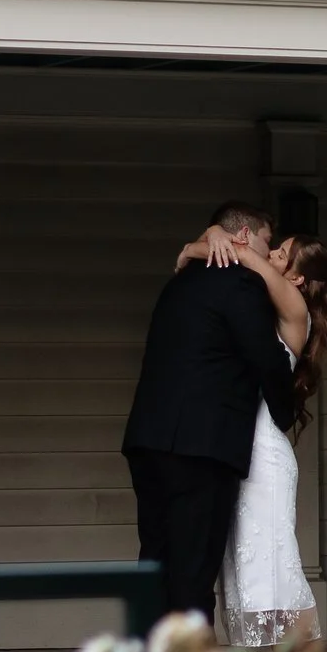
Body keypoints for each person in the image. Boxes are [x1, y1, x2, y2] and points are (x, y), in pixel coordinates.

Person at [119, 201, 296, 620]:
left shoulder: (180, 281)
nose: (267, 250)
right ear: (245, 236)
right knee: (194, 573)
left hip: (148, 438)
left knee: (156, 562)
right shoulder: (240, 283)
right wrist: (285, 413)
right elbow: (266, 357)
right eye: (266, 240)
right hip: (201, 447)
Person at [177, 225, 327, 649]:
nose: (273, 255)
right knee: (246, 574)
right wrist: (208, 239)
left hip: (266, 458)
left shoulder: (293, 305)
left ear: (297, 277)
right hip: (241, 454)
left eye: (282, 253)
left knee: (276, 569)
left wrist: (204, 239)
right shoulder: (262, 305)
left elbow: (244, 256)